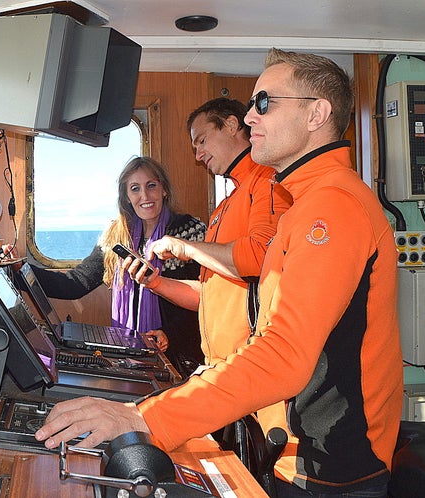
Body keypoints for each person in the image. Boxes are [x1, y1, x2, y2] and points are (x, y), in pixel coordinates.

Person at [36, 49, 403, 497]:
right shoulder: (306, 203)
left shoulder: (333, 208)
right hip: (294, 440)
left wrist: (143, 417)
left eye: (263, 103)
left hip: (334, 458)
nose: (248, 118)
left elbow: (285, 353)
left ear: (317, 114)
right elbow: (254, 312)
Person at [137, 98, 293, 365]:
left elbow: (258, 260)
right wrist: (156, 283)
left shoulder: (267, 183)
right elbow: (210, 295)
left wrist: (187, 248)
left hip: (252, 363)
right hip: (222, 363)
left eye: (202, 141)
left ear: (231, 125)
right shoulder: (227, 205)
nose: (198, 155)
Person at [27, 156, 207, 376]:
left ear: (164, 190)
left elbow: (206, 300)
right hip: (129, 354)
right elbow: (74, 284)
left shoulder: (189, 231)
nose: (145, 196)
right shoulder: (116, 235)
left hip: (180, 356)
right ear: (127, 197)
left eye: (151, 185)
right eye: (135, 189)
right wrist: (21, 271)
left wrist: (168, 334)